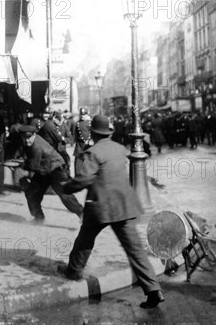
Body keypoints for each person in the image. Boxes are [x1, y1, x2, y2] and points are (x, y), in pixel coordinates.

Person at [58, 115, 164, 309]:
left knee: (84, 241)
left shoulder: (93, 152)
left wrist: (66, 187)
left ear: (93, 133)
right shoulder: (119, 149)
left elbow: (83, 180)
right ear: (109, 132)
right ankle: (153, 289)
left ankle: (73, 271)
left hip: (101, 207)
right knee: (135, 250)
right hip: (124, 206)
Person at [17, 125, 84, 224]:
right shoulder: (30, 141)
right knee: (31, 193)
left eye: (29, 137)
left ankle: (82, 213)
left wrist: (21, 166)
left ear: (34, 134)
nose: (27, 140)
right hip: (43, 170)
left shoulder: (37, 146)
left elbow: (33, 165)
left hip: (56, 169)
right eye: (24, 138)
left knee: (63, 193)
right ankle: (38, 218)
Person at [73, 107, 92, 175]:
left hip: (89, 146)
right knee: (78, 166)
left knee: (90, 166)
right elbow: (75, 134)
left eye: (84, 114)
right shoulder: (77, 123)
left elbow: (94, 134)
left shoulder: (91, 122)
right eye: (81, 114)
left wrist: (91, 140)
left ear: (87, 114)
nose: (82, 116)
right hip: (80, 146)